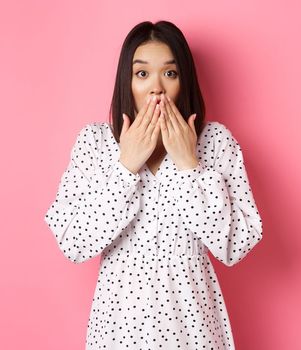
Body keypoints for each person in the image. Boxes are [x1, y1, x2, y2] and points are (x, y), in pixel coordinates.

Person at [43, 20, 263, 349]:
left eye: (170, 73)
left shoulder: (215, 142)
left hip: (193, 329)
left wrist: (190, 165)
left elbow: (236, 245)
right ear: (127, 82)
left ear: (184, 81)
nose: (156, 87)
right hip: (118, 330)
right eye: (142, 74)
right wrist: (126, 166)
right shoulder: (95, 142)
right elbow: (73, 243)